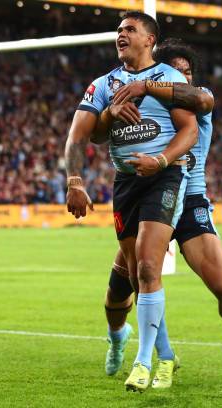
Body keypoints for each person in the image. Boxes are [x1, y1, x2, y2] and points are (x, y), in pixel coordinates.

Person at [96, 38, 222, 386]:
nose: (182, 78)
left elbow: (204, 98)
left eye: (187, 73)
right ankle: (118, 339)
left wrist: (153, 85)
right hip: (146, 197)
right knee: (120, 292)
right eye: (176, 72)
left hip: (190, 199)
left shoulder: (192, 99)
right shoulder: (143, 102)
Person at [64, 12, 198, 392]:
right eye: (119, 30)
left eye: (130, 30)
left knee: (149, 261)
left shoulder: (169, 79)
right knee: (141, 274)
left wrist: (160, 160)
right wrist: (75, 180)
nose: (121, 35)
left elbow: (189, 130)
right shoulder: (103, 84)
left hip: (164, 176)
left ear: (149, 40)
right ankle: (166, 355)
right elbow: (81, 137)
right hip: (126, 183)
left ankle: (142, 363)